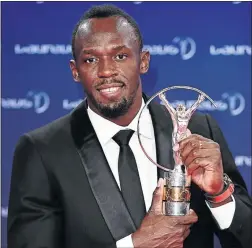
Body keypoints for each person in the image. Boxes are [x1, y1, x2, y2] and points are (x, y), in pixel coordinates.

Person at [7, 4, 252, 248]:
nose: (106, 71)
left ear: (143, 62)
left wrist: (218, 194)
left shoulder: (198, 129)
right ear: (75, 71)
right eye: (91, 59)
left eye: (120, 56)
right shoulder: (43, 150)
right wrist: (134, 245)